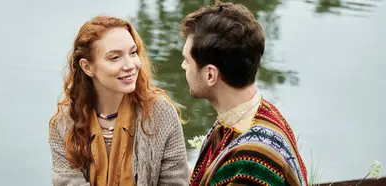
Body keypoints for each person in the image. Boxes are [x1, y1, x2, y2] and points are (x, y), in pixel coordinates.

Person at [48, 15, 190, 186]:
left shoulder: (161, 113)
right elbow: (67, 182)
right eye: (115, 57)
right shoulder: (64, 122)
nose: (130, 65)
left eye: (133, 53)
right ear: (87, 67)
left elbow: (175, 182)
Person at [179, 1, 308, 186]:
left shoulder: (252, 162)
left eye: (187, 60)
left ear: (210, 75)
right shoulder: (257, 114)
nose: (183, 66)